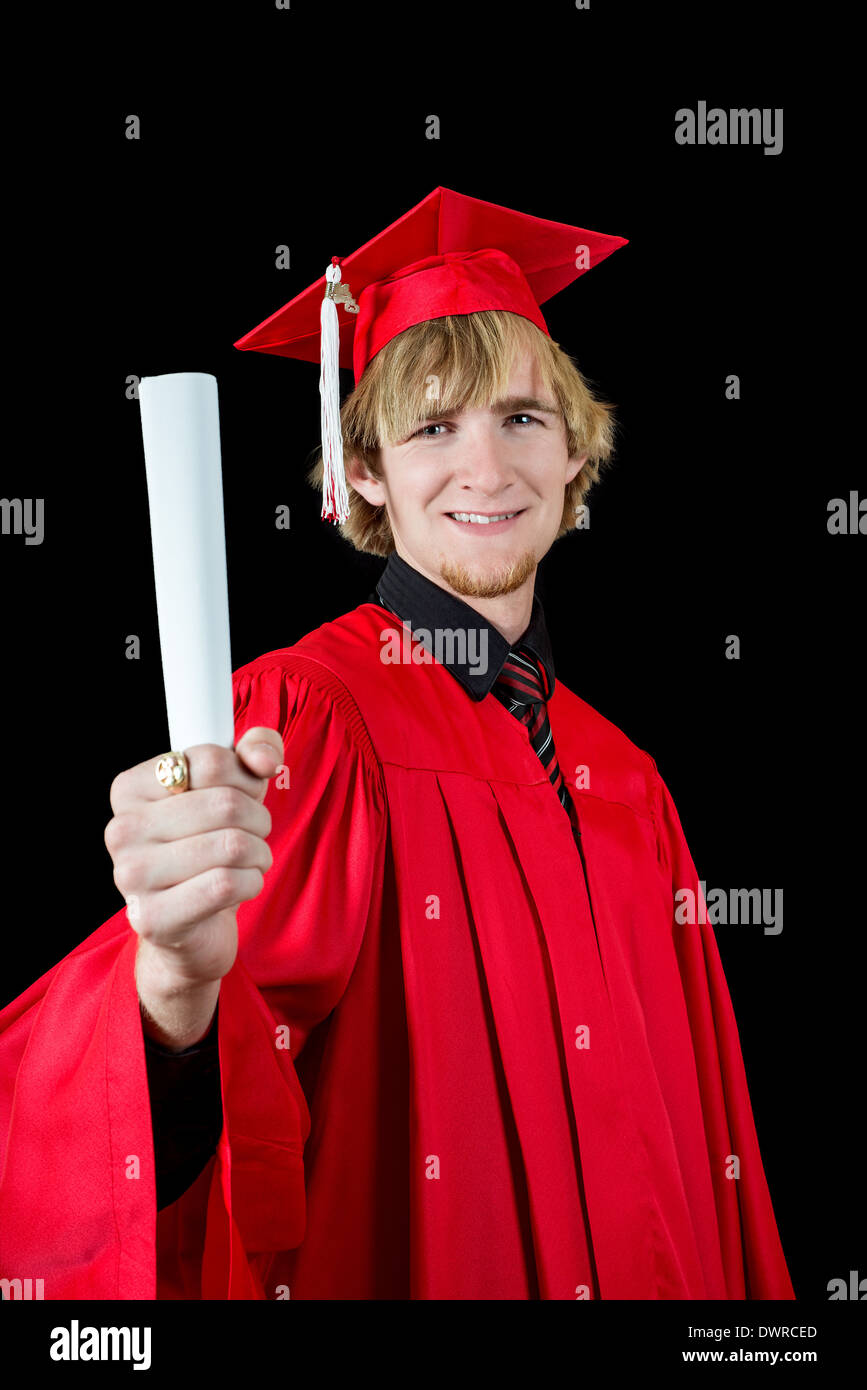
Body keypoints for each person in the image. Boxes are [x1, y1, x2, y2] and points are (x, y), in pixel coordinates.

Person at [0, 187, 794, 1300]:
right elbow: (214, 1065)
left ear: (575, 451)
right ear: (362, 470)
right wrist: (170, 986)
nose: (487, 469)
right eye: (433, 426)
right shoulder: (308, 715)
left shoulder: (628, 778)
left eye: (522, 417)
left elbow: (713, 1147)